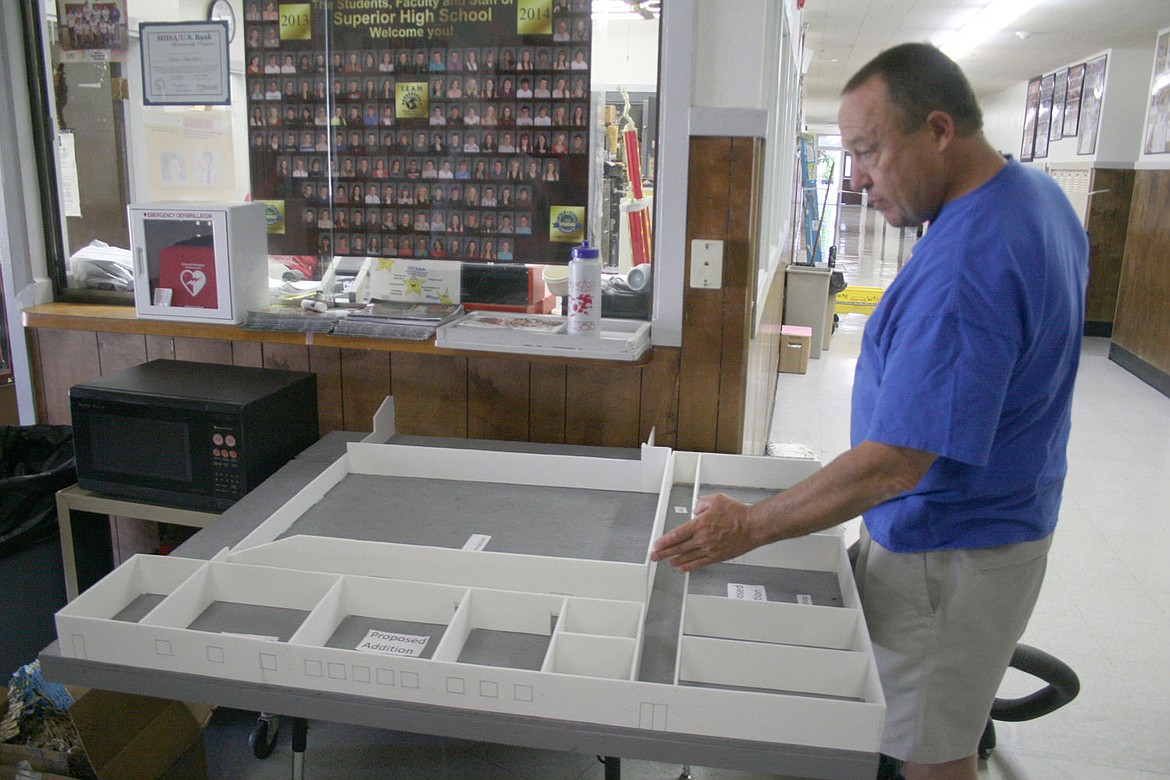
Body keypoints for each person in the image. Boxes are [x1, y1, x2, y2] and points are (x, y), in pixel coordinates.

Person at [649, 43, 1089, 780]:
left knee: (934, 755)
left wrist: (750, 526)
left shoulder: (964, 267)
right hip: (1006, 514)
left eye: (868, 151)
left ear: (939, 130)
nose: (855, 176)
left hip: (949, 550)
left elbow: (894, 464)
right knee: (920, 720)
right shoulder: (1033, 196)